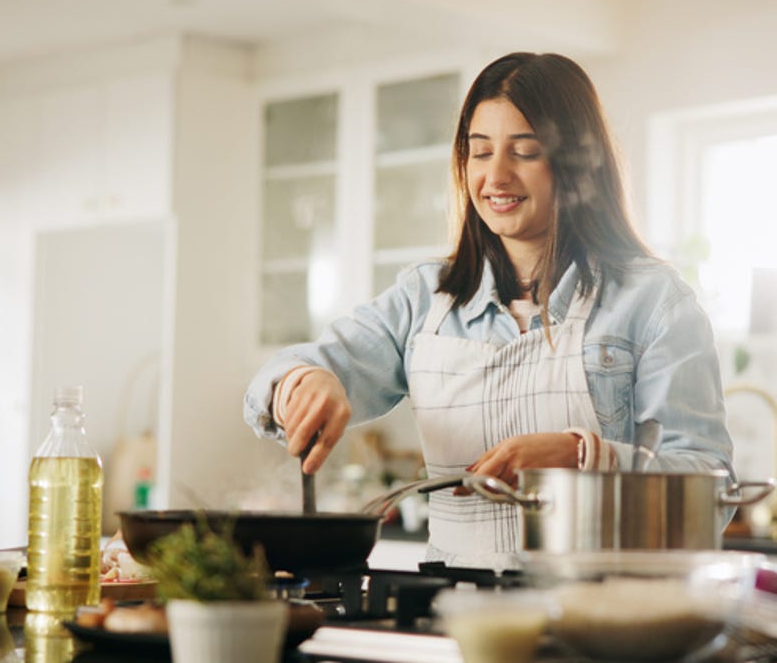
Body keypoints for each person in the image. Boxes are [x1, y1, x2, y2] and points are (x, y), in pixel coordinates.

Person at [244, 52, 733, 570]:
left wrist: (584, 457)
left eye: (524, 151)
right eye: (480, 153)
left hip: (603, 622)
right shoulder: (423, 298)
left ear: (575, 165)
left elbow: (709, 494)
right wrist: (302, 384)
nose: (495, 176)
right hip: (459, 619)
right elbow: (286, 374)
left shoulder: (653, 302)